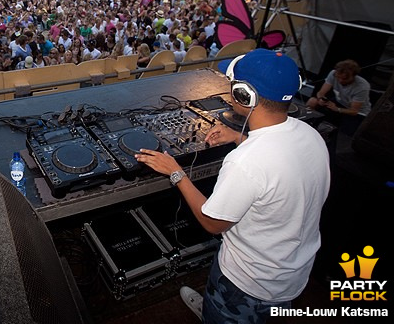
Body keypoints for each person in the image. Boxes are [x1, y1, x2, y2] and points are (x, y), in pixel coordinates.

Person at [135, 49, 330, 324]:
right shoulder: (310, 135)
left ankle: (214, 313)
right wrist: (241, 138)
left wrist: (176, 172)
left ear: (244, 95)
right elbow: (277, 166)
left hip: (247, 284)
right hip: (291, 275)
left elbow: (212, 222)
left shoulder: (246, 163)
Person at [306, 59, 371, 136]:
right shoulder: (333, 74)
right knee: (312, 101)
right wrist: (321, 99)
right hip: (339, 102)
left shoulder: (362, 87)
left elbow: (354, 111)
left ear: (353, 76)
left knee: (344, 133)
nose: (340, 81)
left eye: (344, 79)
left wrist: (337, 109)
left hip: (356, 113)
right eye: (338, 77)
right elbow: (320, 93)